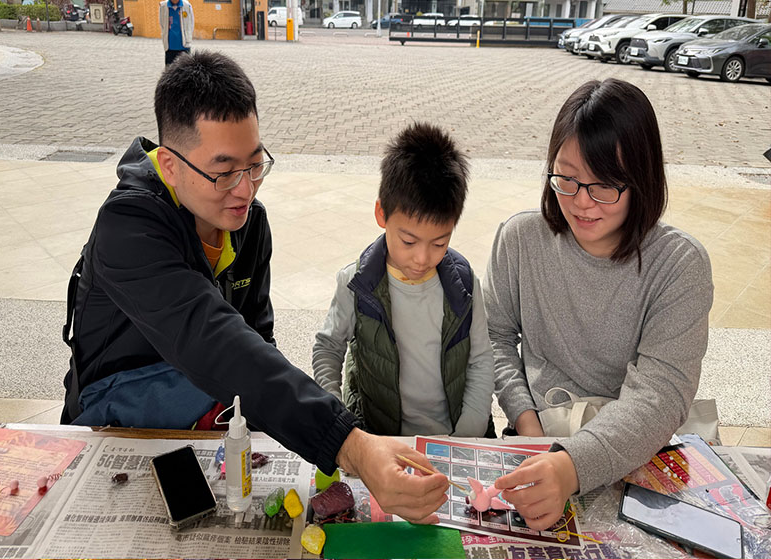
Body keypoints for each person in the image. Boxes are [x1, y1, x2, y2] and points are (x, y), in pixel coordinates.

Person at [60, 51, 448, 523]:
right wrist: (348, 442)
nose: (245, 190)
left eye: (255, 164)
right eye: (223, 172)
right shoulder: (127, 227)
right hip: (115, 412)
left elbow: (256, 339)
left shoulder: (248, 224)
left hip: (209, 410)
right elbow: (213, 341)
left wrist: (283, 425)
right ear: (170, 164)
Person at [484, 78, 713, 530]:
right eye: (566, 178)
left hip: (634, 448)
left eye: (604, 184)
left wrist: (570, 465)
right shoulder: (520, 239)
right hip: (538, 436)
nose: (582, 203)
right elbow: (495, 336)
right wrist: (530, 429)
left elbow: (660, 394)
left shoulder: (679, 264)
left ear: (642, 179)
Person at [312, 122, 495, 438]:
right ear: (381, 214)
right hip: (380, 439)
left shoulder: (464, 284)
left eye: (439, 243)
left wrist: (466, 437)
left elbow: (481, 359)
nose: (422, 258)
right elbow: (328, 347)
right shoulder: (357, 284)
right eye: (409, 241)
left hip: (456, 436)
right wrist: (338, 421)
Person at [159, 0, 193, 66]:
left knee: (186, 68)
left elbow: (191, 24)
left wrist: (188, 37)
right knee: (170, 68)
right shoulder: (163, 6)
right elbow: (162, 24)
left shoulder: (187, 5)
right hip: (170, 46)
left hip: (184, 46)